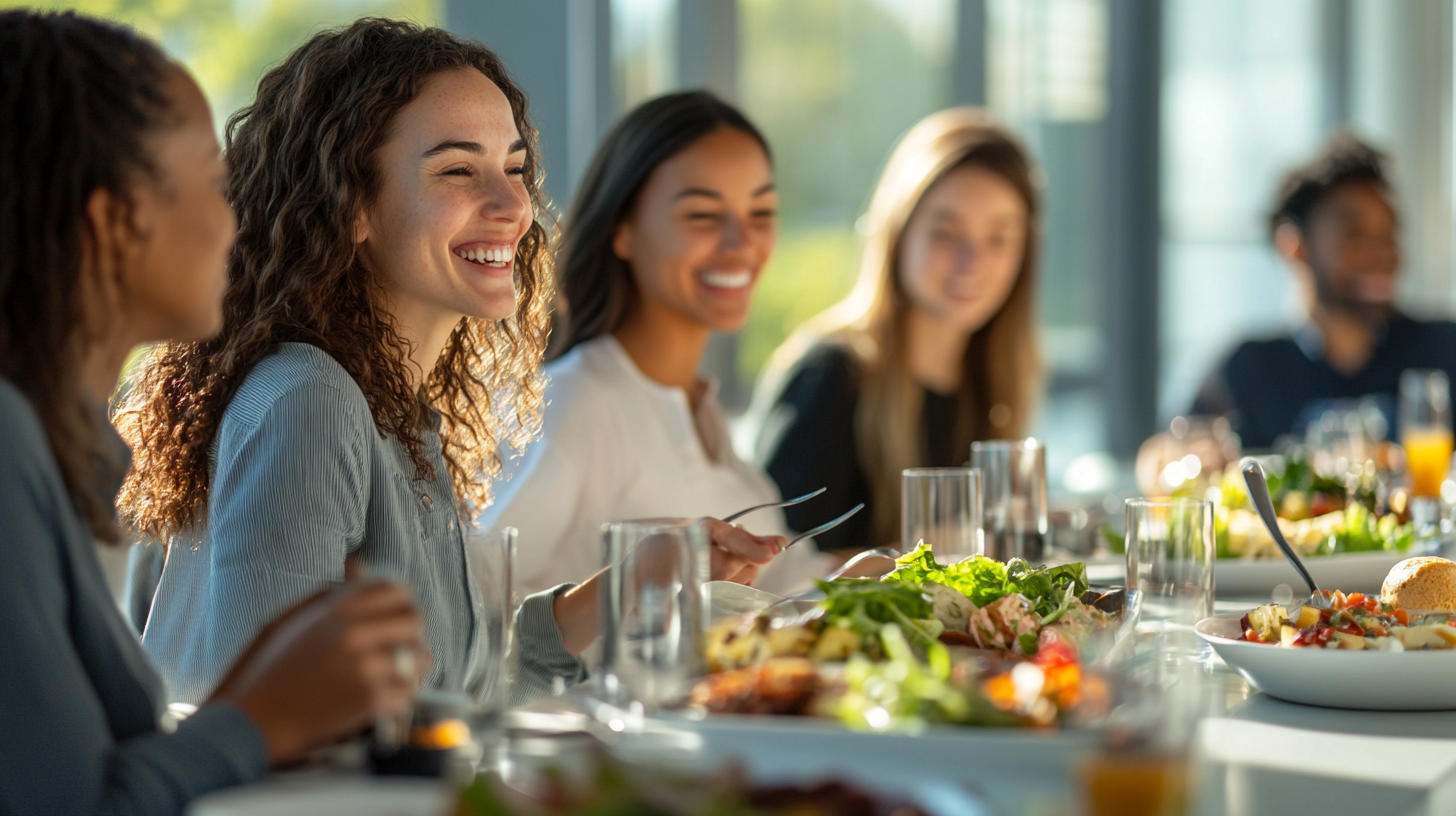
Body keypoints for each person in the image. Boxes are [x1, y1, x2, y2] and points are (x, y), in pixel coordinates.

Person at [118, 22, 782, 706]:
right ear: (350, 204)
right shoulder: (309, 400)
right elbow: (270, 716)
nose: (513, 206)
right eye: (458, 170)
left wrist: (629, 582)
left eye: (515, 168)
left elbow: (457, 675)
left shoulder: (398, 408)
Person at [0, 11, 429, 814]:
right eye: (209, 181)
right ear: (115, 220)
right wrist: (260, 715)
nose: (235, 217)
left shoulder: (50, 451)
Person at [481, 92, 824, 597]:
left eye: (761, 212)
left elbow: (794, 585)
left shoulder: (701, 412)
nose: (741, 242)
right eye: (703, 215)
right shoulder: (575, 405)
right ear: (623, 229)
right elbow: (466, 606)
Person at [748, 109, 1043, 553]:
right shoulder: (830, 377)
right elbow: (771, 574)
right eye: (945, 233)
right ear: (896, 234)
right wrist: (917, 554)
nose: (972, 262)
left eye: (998, 238)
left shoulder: (995, 379)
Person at [1192, 133, 1456, 448]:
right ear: (1295, 246)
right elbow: (1172, 453)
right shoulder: (1249, 369)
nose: (1382, 253)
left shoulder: (1443, 349)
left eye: (1389, 234)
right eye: (1354, 235)